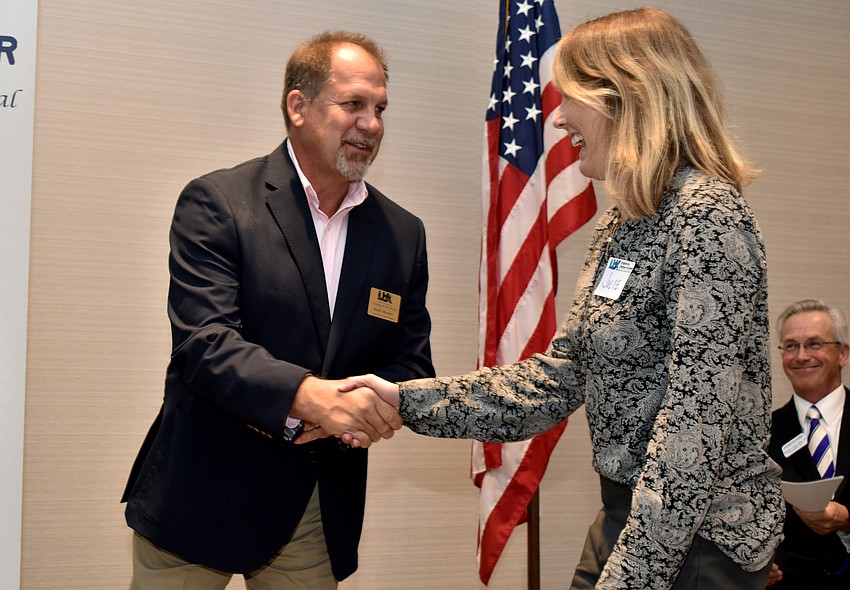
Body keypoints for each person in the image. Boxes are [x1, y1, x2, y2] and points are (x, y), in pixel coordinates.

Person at [304, 7, 784, 589]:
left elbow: (695, 432)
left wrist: (628, 578)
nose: (556, 120)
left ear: (626, 96)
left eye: (570, 97)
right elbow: (554, 379)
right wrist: (404, 400)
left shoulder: (708, 217)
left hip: (697, 540)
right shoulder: (624, 224)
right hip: (628, 520)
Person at [121, 31, 434, 590]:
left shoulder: (402, 235)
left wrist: (372, 406)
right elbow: (205, 343)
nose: (372, 125)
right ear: (298, 107)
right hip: (200, 491)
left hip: (313, 504)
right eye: (354, 104)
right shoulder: (218, 202)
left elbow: (410, 363)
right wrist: (307, 396)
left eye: (380, 108)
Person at [767, 299, 850, 588]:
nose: (801, 356)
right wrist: (754, 566)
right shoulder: (762, 433)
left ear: (842, 353)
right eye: (790, 346)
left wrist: (848, 520)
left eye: (814, 344)